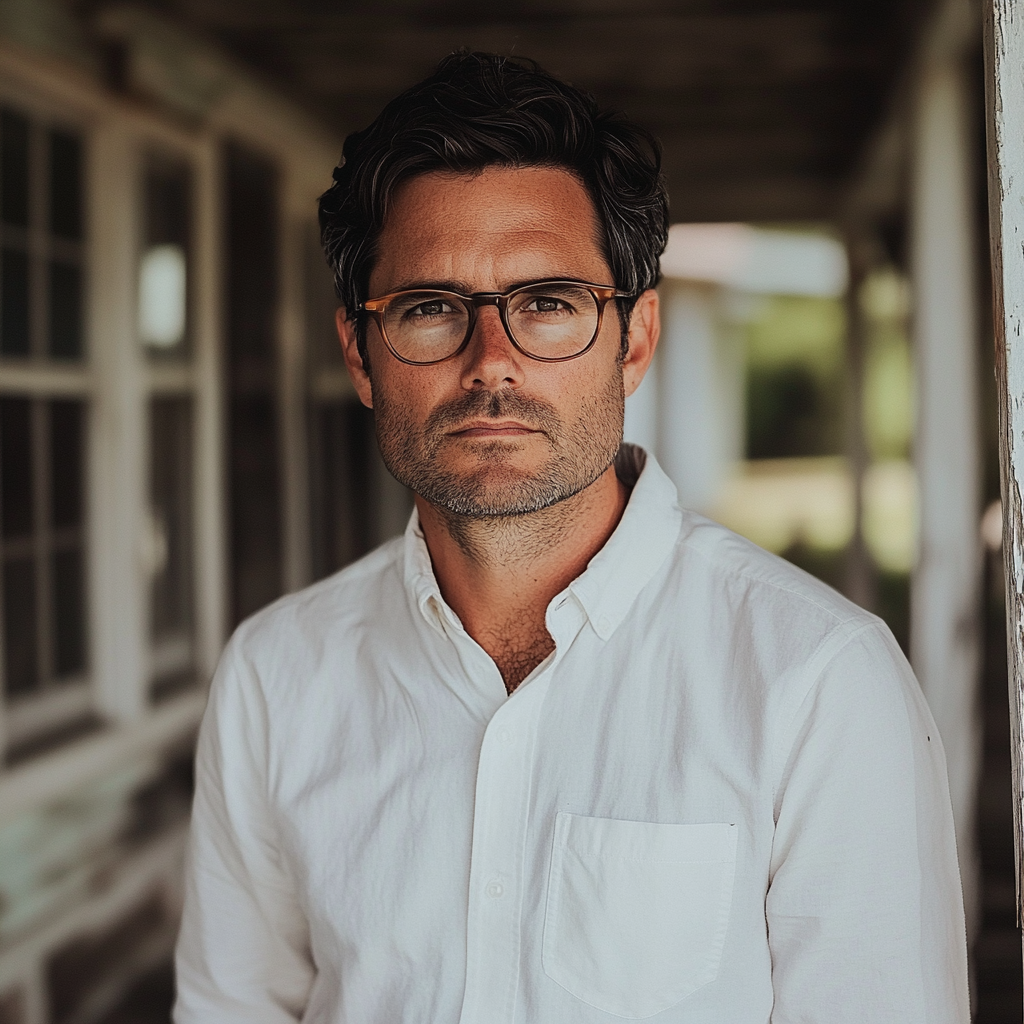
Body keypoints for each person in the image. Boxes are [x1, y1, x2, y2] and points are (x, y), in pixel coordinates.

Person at [174, 52, 969, 1024]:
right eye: (429, 309)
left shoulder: (815, 677)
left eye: (548, 303)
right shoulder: (276, 675)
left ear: (633, 337)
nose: (492, 363)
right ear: (359, 354)